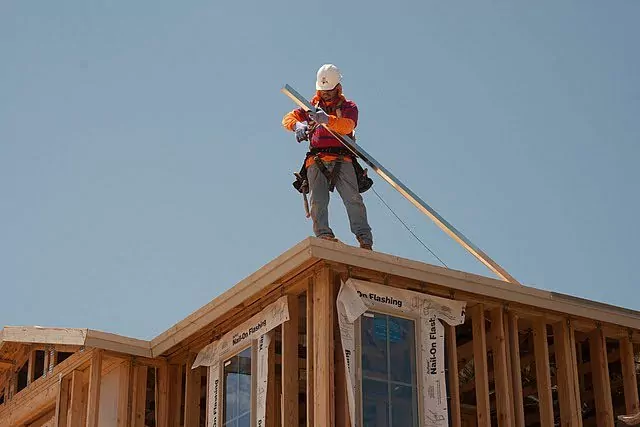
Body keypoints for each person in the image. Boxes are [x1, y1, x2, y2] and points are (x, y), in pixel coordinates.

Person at [282, 64, 373, 250]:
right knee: (318, 200)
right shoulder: (310, 107)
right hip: (317, 159)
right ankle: (324, 235)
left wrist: (328, 120)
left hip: (342, 158)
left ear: (338, 88)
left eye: (330, 91)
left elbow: (348, 126)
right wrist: (297, 126)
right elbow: (288, 118)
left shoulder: (348, 106)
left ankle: (365, 240)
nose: (326, 94)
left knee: (353, 200)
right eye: (323, 91)